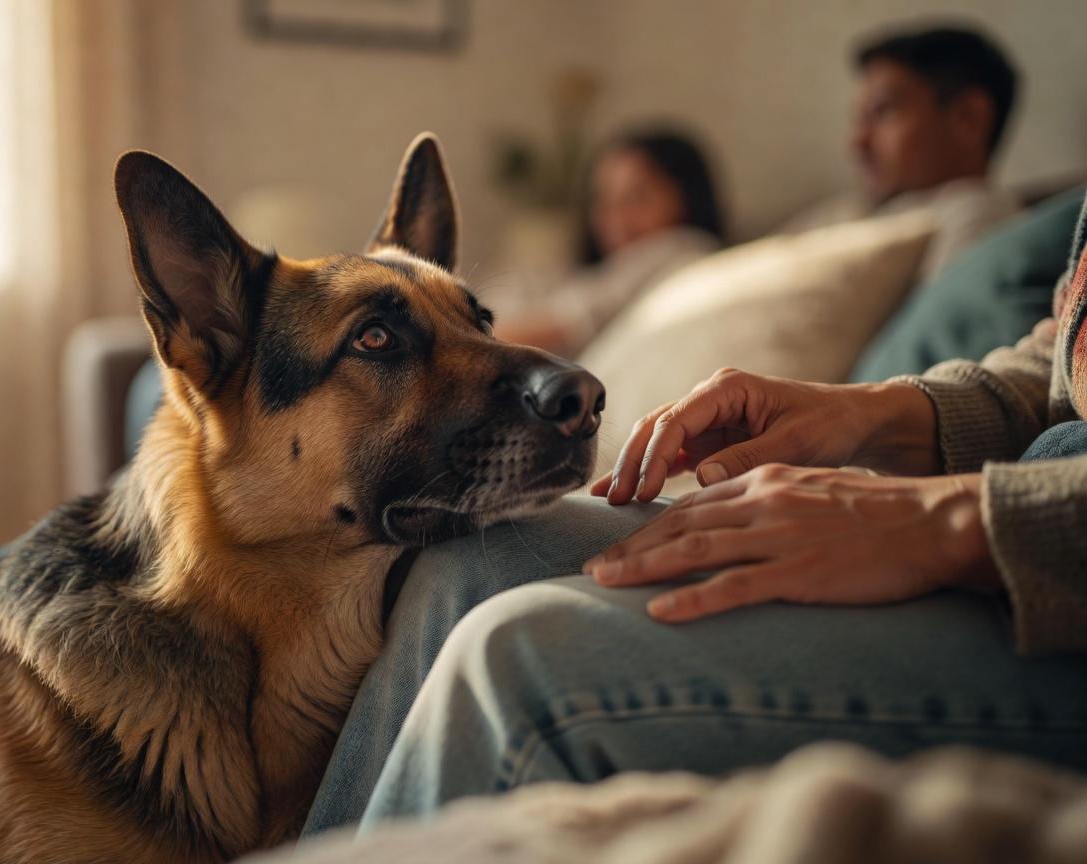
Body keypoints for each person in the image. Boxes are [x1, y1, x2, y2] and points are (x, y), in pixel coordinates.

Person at [299, 194, 1087, 839]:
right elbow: (1060, 368)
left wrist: (958, 520)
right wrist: (875, 409)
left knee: (522, 656)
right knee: (472, 565)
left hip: (1049, 579)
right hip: (1021, 494)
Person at [780, 24, 1022, 280]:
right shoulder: (840, 213)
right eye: (860, 119)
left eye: (883, 112)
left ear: (968, 119)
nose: (857, 141)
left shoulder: (978, 216)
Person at [491, 129, 724, 358]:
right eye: (604, 199)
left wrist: (464, 342)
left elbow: (554, 329)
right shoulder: (608, 269)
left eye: (637, 197)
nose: (616, 217)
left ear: (686, 197)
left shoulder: (684, 248)